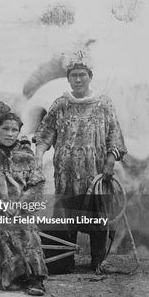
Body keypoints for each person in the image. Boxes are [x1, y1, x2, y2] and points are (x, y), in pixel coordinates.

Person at [34, 51, 127, 273]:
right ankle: (64, 261)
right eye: (74, 75)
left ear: (90, 76)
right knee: (66, 215)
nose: (78, 79)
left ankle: (97, 261)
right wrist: (39, 154)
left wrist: (110, 161)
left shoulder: (104, 104)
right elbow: (45, 134)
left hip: (96, 174)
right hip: (66, 174)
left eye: (82, 75)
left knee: (97, 217)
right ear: (68, 78)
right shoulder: (61, 104)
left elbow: (115, 137)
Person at [0, 112, 48, 296]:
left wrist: (20, 205)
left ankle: (35, 278)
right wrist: (1, 206)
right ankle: (11, 276)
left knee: (26, 228)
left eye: (14, 130)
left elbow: (36, 185)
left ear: (18, 132)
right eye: (5, 129)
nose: (9, 133)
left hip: (22, 209)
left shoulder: (27, 156)